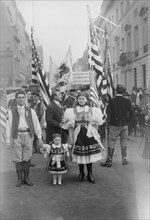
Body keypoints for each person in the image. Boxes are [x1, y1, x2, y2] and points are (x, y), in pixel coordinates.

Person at [63, 91, 106, 184]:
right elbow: (70, 126)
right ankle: (81, 173)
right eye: (79, 99)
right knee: (80, 154)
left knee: (89, 154)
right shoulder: (72, 110)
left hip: (89, 133)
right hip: (78, 134)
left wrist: (95, 127)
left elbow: (97, 123)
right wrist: (70, 136)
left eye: (83, 99)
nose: (81, 100)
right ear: (77, 100)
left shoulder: (92, 109)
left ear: (86, 100)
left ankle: (90, 174)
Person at [6, 90, 43, 187]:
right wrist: (8, 141)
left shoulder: (31, 111)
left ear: (25, 99)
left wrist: (39, 137)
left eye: (23, 97)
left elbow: (36, 124)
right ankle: (19, 178)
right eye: (19, 97)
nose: (21, 99)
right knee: (18, 157)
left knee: (27, 156)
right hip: (17, 135)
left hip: (28, 135)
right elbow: (8, 126)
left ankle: (26, 177)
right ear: (16, 99)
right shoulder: (11, 111)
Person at [101, 84, 133, 167]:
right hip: (124, 124)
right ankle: (124, 159)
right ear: (124, 91)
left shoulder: (112, 101)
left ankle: (109, 160)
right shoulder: (127, 101)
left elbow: (108, 113)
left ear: (116, 91)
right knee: (124, 141)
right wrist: (128, 122)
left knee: (111, 141)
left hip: (114, 124)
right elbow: (131, 113)